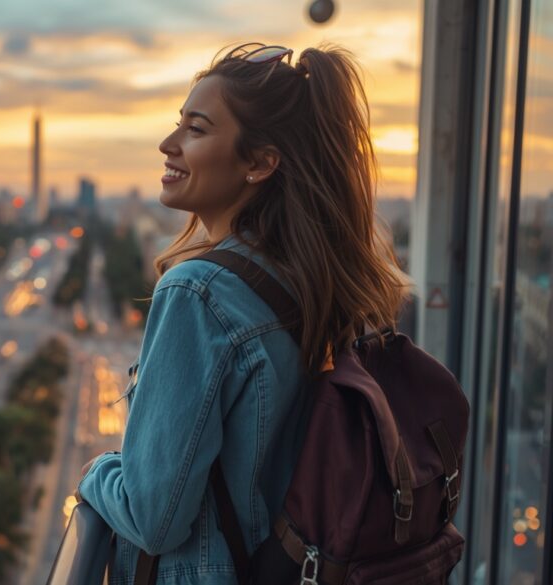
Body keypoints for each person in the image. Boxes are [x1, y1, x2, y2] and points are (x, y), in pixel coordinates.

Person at [75, 43, 410, 584]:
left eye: (196, 129)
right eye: (178, 124)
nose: (168, 144)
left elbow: (152, 517)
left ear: (259, 163)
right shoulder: (311, 282)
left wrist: (97, 471)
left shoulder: (198, 292)